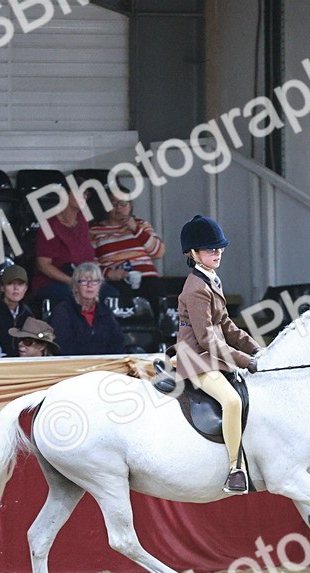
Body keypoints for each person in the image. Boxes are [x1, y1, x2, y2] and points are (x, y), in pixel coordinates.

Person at [175, 215, 260, 494]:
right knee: (232, 401)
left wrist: (256, 349)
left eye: (219, 248)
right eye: (210, 249)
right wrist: (244, 360)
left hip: (213, 355)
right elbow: (206, 339)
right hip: (196, 358)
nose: (217, 252)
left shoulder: (212, 279)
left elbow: (226, 325)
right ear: (193, 253)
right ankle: (235, 469)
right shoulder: (196, 288)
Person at [32, 189, 117, 305]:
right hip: (54, 282)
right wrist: (73, 282)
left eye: (86, 193)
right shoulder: (49, 225)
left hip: (82, 278)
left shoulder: (82, 220)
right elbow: (43, 265)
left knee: (112, 294)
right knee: (85, 296)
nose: (84, 197)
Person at [89, 190, 164, 302]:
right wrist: (108, 273)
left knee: (156, 295)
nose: (118, 208)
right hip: (116, 279)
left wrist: (136, 229)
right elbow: (89, 262)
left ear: (130, 205)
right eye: (113, 203)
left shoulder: (141, 224)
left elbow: (158, 252)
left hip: (146, 276)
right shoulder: (95, 231)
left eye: (123, 203)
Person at [48, 263, 124, 356]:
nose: (89, 285)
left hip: (104, 363)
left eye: (94, 281)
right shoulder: (63, 311)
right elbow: (61, 348)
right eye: (84, 281)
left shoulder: (105, 311)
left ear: (99, 286)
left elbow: (117, 344)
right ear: (75, 287)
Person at [0, 264, 33, 357]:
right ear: (2, 287)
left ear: (26, 288)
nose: (16, 288)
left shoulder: (28, 314)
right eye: (10, 283)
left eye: (20, 284)